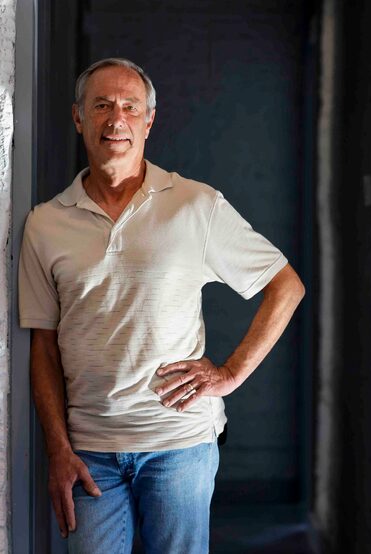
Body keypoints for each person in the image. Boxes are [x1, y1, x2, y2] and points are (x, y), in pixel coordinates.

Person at [18, 57, 305, 554]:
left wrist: (230, 374)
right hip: (89, 451)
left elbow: (286, 285)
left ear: (149, 122)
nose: (116, 119)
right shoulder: (46, 224)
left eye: (131, 107)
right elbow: (43, 345)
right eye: (102, 105)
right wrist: (58, 449)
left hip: (180, 444)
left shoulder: (195, 205)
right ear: (78, 117)